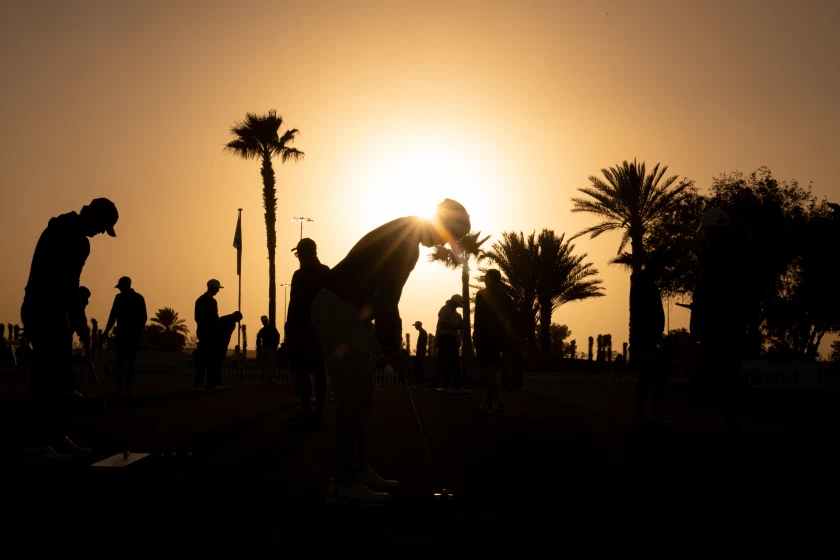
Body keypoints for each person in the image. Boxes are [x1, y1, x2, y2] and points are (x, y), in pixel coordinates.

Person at [311, 198, 470, 506]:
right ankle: (344, 483)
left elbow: (383, 296)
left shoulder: (406, 231)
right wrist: (394, 351)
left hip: (346, 311)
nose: (446, 242)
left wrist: (388, 345)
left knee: (362, 394)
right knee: (353, 398)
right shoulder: (406, 243)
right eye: (451, 234)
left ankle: (357, 470)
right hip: (339, 309)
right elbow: (387, 299)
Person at [21, 197, 119, 463]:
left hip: (49, 310)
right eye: (103, 226)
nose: (101, 232)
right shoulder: (71, 236)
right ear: (94, 215)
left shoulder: (64, 229)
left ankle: (55, 439)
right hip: (43, 309)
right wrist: (80, 324)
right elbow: (67, 283)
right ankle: (38, 445)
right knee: (46, 381)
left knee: (58, 382)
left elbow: (69, 285)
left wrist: (76, 321)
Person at [690, 207, 748, 458]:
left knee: (720, 387)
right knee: (727, 386)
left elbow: (712, 300)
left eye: (705, 231)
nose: (702, 236)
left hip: (719, 335)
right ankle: (728, 435)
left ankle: (724, 439)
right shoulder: (729, 258)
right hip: (727, 333)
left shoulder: (717, 261)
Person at [285, 238, 330, 428]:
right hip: (311, 329)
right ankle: (314, 412)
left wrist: (289, 328)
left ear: (305, 253)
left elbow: (294, 304)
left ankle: (311, 412)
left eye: (299, 254)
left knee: (309, 372)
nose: (298, 258)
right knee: (312, 372)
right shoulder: (324, 272)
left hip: (306, 329)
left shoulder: (305, 274)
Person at [631, 253, 668, 425]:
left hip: (650, 335)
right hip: (647, 336)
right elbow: (640, 312)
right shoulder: (643, 283)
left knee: (652, 374)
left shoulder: (645, 282)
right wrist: (648, 335)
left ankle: (647, 410)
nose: (662, 271)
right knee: (649, 374)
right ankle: (644, 411)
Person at [473, 269, 517, 414]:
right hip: (493, 336)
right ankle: (488, 400)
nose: (485, 280)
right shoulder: (504, 297)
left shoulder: (484, 295)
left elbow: (480, 317)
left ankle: (496, 401)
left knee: (490, 370)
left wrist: (476, 334)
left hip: (489, 337)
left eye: (488, 278)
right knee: (489, 370)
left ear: (495, 280)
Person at [101, 276, 147, 395]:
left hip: (129, 336)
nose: (120, 289)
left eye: (121, 287)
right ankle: (122, 386)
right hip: (126, 335)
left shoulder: (130, 298)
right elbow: (113, 316)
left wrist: (136, 332)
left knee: (127, 361)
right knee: (124, 361)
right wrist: (106, 331)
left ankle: (125, 386)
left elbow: (142, 318)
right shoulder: (129, 298)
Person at [194, 279, 227, 392]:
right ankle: (206, 384)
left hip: (206, 334)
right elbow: (211, 318)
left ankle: (202, 384)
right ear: (212, 288)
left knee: (205, 360)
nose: (218, 291)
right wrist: (216, 331)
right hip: (208, 335)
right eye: (217, 289)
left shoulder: (203, 300)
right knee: (210, 360)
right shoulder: (207, 301)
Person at [436, 294, 467, 393]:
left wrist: (458, 339)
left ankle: (458, 386)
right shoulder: (444, 310)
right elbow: (442, 325)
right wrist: (456, 327)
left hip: (452, 340)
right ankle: (447, 386)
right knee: (446, 363)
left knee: (455, 363)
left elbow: (461, 327)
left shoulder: (457, 315)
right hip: (444, 339)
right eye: (457, 305)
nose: (458, 306)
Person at [412, 321, 428, 385]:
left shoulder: (423, 332)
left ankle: (420, 381)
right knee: (418, 366)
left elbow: (421, 343)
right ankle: (421, 381)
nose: (415, 327)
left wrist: (419, 350)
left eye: (416, 326)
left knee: (418, 366)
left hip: (420, 352)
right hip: (420, 351)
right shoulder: (422, 332)